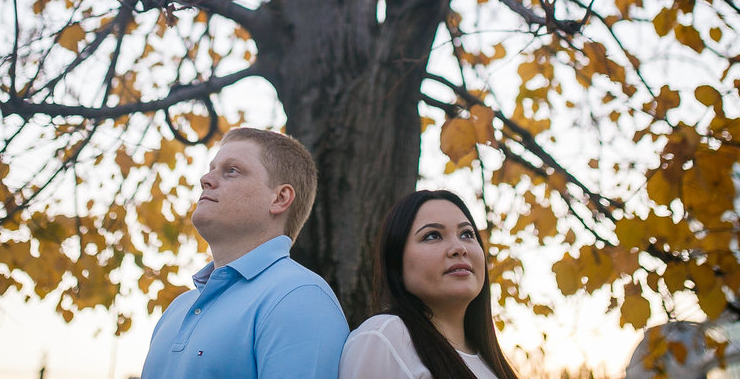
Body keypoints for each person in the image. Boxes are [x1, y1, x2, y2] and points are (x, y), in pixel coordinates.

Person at [141, 127, 349, 379]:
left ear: (280, 198)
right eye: (212, 168)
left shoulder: (300, 296)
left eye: (231, 170)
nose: (205, 179)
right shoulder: (177, 309)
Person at [338, 189, 519, 379]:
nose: (459, 248)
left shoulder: (490, 364)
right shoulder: (385, 338)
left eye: (466, 234)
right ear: (397, 262)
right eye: (433, 236)